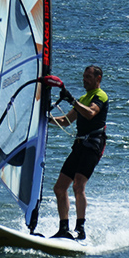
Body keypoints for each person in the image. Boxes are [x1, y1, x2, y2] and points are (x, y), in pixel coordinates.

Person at [49, 65, 108, 240]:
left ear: (98, 79)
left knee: (78, 185)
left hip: (93, 144)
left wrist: (72, 100)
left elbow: (90, 113)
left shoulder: (100, 96)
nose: (84, 80)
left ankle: (80, 229)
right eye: (83, 76)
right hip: (79, 145)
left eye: (88, 77)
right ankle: (64, 229)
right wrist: (46, 118)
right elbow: (66, 121)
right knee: (59, 188)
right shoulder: (84, 97)